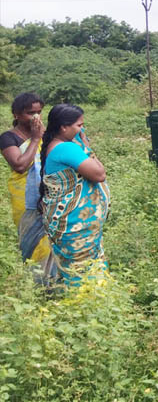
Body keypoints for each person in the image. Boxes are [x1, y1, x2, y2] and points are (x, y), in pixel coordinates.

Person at [39, 104, 110, 287]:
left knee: (76, 270)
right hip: (75, 225)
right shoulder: (66, 149)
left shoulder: (55, 146)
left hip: (66, 223)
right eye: (79, 125)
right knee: (83, 272)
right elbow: (99, 174)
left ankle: (79, 307)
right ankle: (87, 306)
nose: (82, 130)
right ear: (64, 127)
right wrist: (87, 147)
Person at [1, 93, 57, 283]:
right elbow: (19, 165)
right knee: (33, 242)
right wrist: (35, 139)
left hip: (48, 195)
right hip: (24, 198)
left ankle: (55, 283)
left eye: (39, 112)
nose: (36, 117)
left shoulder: (46, 132)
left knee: (53, 239)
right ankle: (38, 285)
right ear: (16, 114)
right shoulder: (8, 138)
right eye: (30, 113)